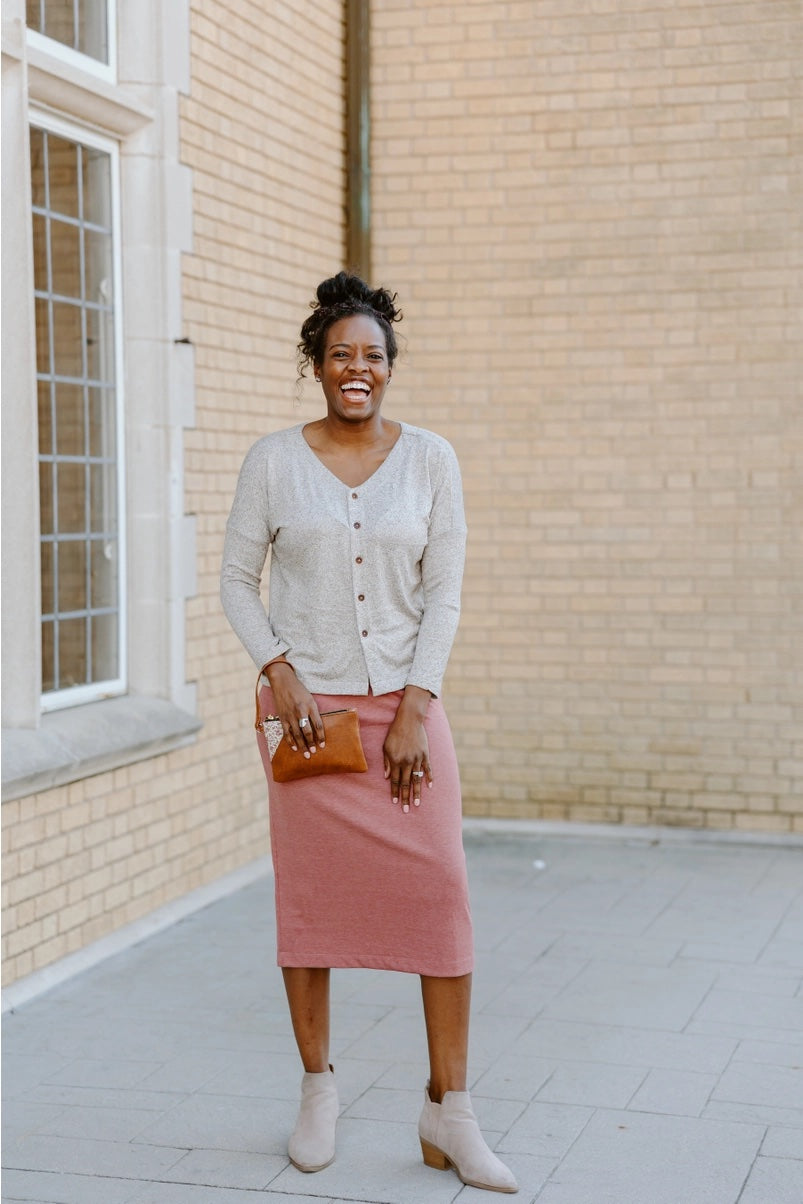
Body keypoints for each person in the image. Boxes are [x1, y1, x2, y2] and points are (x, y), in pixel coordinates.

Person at [220, 271, 517, 1194]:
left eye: (373, 356)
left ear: (390, 369)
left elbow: (445, 591)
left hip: (405, 718)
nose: (359, 369)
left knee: (442, 903)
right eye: (341, 353)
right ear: (316, 363)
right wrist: (279, 668)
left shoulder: (432, 460)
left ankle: (449, 1112)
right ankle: (318, 1091)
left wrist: (417, 706)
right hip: (311, 723)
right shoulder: (272, 461)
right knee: (308, 912)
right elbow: (235, 578)